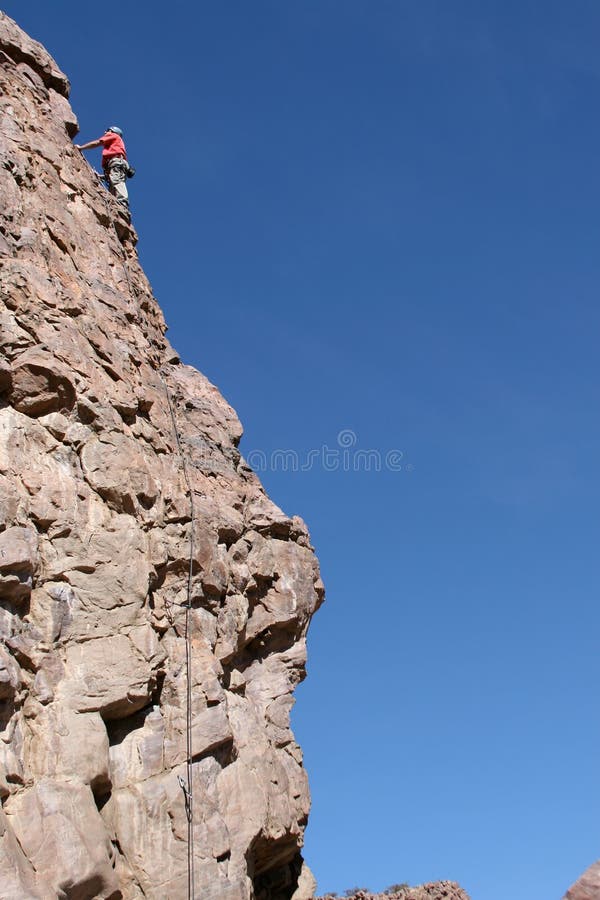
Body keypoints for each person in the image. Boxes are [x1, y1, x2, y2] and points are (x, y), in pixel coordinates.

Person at [75, 126, 130, 210]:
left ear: (112, 131)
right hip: (117, 164)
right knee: (114, 182)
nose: (105, 132)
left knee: (117, 181)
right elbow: (113, 174)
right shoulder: (117, 142)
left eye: (107, 131)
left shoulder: (114, 136)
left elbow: (97, 142)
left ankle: (122, 203)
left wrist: (81, 148)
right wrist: (102, 177)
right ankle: (118, 206)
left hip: (116, 162)